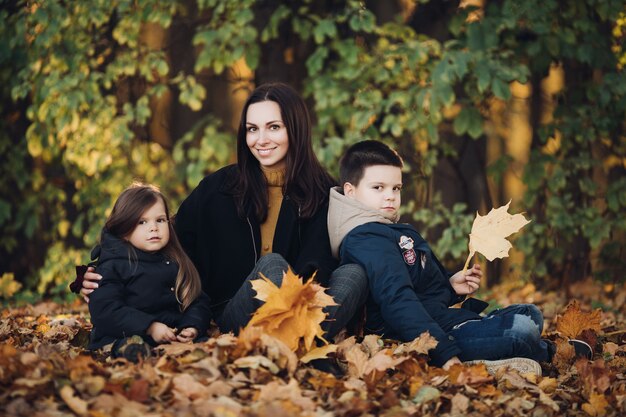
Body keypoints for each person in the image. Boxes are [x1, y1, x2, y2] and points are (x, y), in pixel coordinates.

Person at [79, 83, 368, 350]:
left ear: (296, 129)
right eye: (252, 129)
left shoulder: (323, 192)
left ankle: (290, 342)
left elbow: (330, 260)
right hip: (234, 312)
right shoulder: (221, 187)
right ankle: (295, 344)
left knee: (354, 273)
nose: (261, 139)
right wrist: (98, 269)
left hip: (301, 310)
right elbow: (163, 232)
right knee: (272, 266)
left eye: (274, 127)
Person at [327, 140, 591, 375]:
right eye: (378, 187)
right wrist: (444, 355)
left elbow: (422, 291)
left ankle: (512, 351)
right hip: (420, 337)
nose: (390, 196)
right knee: (522, 329)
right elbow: (397, 300)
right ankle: (545, 354)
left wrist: (450, 286)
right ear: (350, 191)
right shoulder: (366, 237)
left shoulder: (389, 228)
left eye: (396, 188)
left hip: (440, 319)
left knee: (529, 312)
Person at [87, 183, 212, 362]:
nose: (153, 228)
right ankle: (132, 352)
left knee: (204, 344)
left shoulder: (176, 260)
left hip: (170, 335)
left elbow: (197, 300)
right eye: (142, 222)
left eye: (160, 220)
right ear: (124, 230)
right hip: (122, 334)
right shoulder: (113, 265)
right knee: (125, 345)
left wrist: (192, 326)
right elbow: (105, 310)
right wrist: (150, 327)